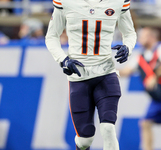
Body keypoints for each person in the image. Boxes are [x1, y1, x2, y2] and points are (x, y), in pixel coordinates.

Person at [45, 0, 137, 149]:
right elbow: (51, 36)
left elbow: (130, 33)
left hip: (106, 73)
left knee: (108, 128)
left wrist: (128, 47)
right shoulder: (66, 1)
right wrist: (63, 59)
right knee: (85, 140)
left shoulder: (118, 1)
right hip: (79, 77)